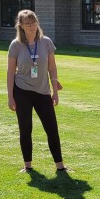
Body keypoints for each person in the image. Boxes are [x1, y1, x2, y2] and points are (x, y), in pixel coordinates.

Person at [6, 9, 66, 172]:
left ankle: (60, 166)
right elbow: (11, 72)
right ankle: (28, 166)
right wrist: (10, 97)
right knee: (25, 129)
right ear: (21, 26)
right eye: (28, 24)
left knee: (52, 128)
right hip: (22, 91)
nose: (32, 26)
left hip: (43, 92)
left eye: (34, 23)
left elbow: (52, 68)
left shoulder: (46, 42)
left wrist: (55, 90)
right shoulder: (16, 45)